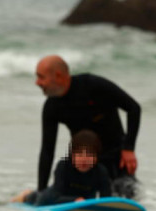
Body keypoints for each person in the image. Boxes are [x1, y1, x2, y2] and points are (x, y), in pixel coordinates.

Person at [35, 55, 141, 198]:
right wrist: (41, 191)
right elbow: (47, 151)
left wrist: (128, 148)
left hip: (116, 158)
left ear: (58, 76)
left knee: (126, 196)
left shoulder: (93, 85)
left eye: (41, 77)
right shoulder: (52, 106)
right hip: (85, 164)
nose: (37, 82)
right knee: (80, 203)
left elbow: (134, 108)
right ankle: (31, 196)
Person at [11, 130, 112, 206]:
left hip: (82, 201)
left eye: (89, 155)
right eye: (79, 154)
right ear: (72, 155)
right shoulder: (63, 166)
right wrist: (74, 200)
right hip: (50, 199)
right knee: (35, 197)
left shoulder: (101, 171)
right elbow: (56, 197)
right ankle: (26, 195)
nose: (84, 159)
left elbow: (106, 198)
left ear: (96, 157)